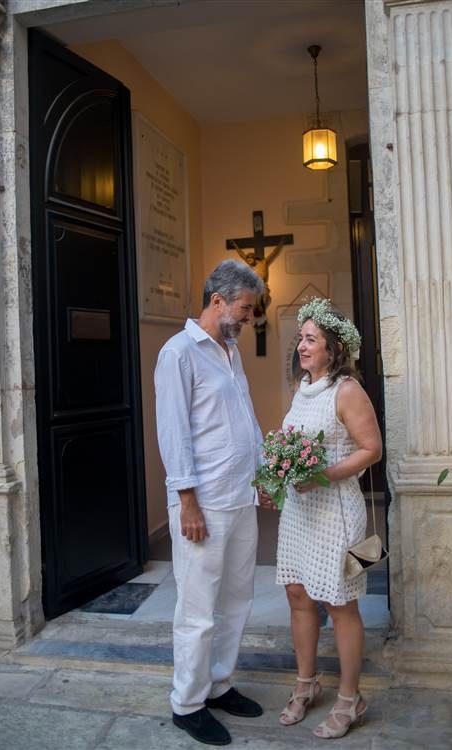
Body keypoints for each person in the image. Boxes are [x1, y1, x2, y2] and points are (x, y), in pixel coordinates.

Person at [154, 259, 267, 746]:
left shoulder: (230, 352)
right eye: (245, 308)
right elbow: (173, 433)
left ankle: (218, 685)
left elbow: (246, 418)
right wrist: (187, 502)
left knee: (237, 600)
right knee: (198, 609)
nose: (249, 318)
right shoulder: (178, 353)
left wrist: (263, 473)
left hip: (240, 496)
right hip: (203, 503)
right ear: (217, 300)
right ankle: (187, 703)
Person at [264, 297, 382, 740]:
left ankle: (350, 699)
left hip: (335, 512)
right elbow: (293, 448)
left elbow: (372, 449)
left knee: (339, 603)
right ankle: (306, 683)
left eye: (311, 339)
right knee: (297, 593)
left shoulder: (346, 390)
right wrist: (277, 478)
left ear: (334, 348)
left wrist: (322, 476)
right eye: (301, 338)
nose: (302, 346)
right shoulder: (302, 388)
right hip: (300, 512)